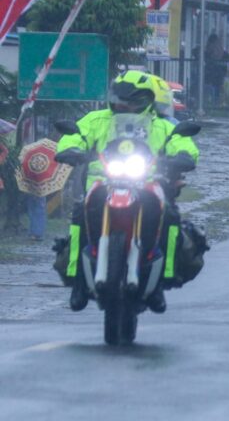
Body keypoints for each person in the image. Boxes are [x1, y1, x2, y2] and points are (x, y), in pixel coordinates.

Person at [54, 71, 200, 313]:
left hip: (147, 184)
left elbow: (180, 141)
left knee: (171, 217)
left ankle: (162, 280)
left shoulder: (161, 125)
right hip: (102, 184)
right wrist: (71, 149)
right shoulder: (97, 119)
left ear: (147, 101)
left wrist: (183, 156)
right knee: (79, 213)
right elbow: (76, 135)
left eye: (133, 100)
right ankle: (78, 280)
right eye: (121, 99)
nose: (126, 105)